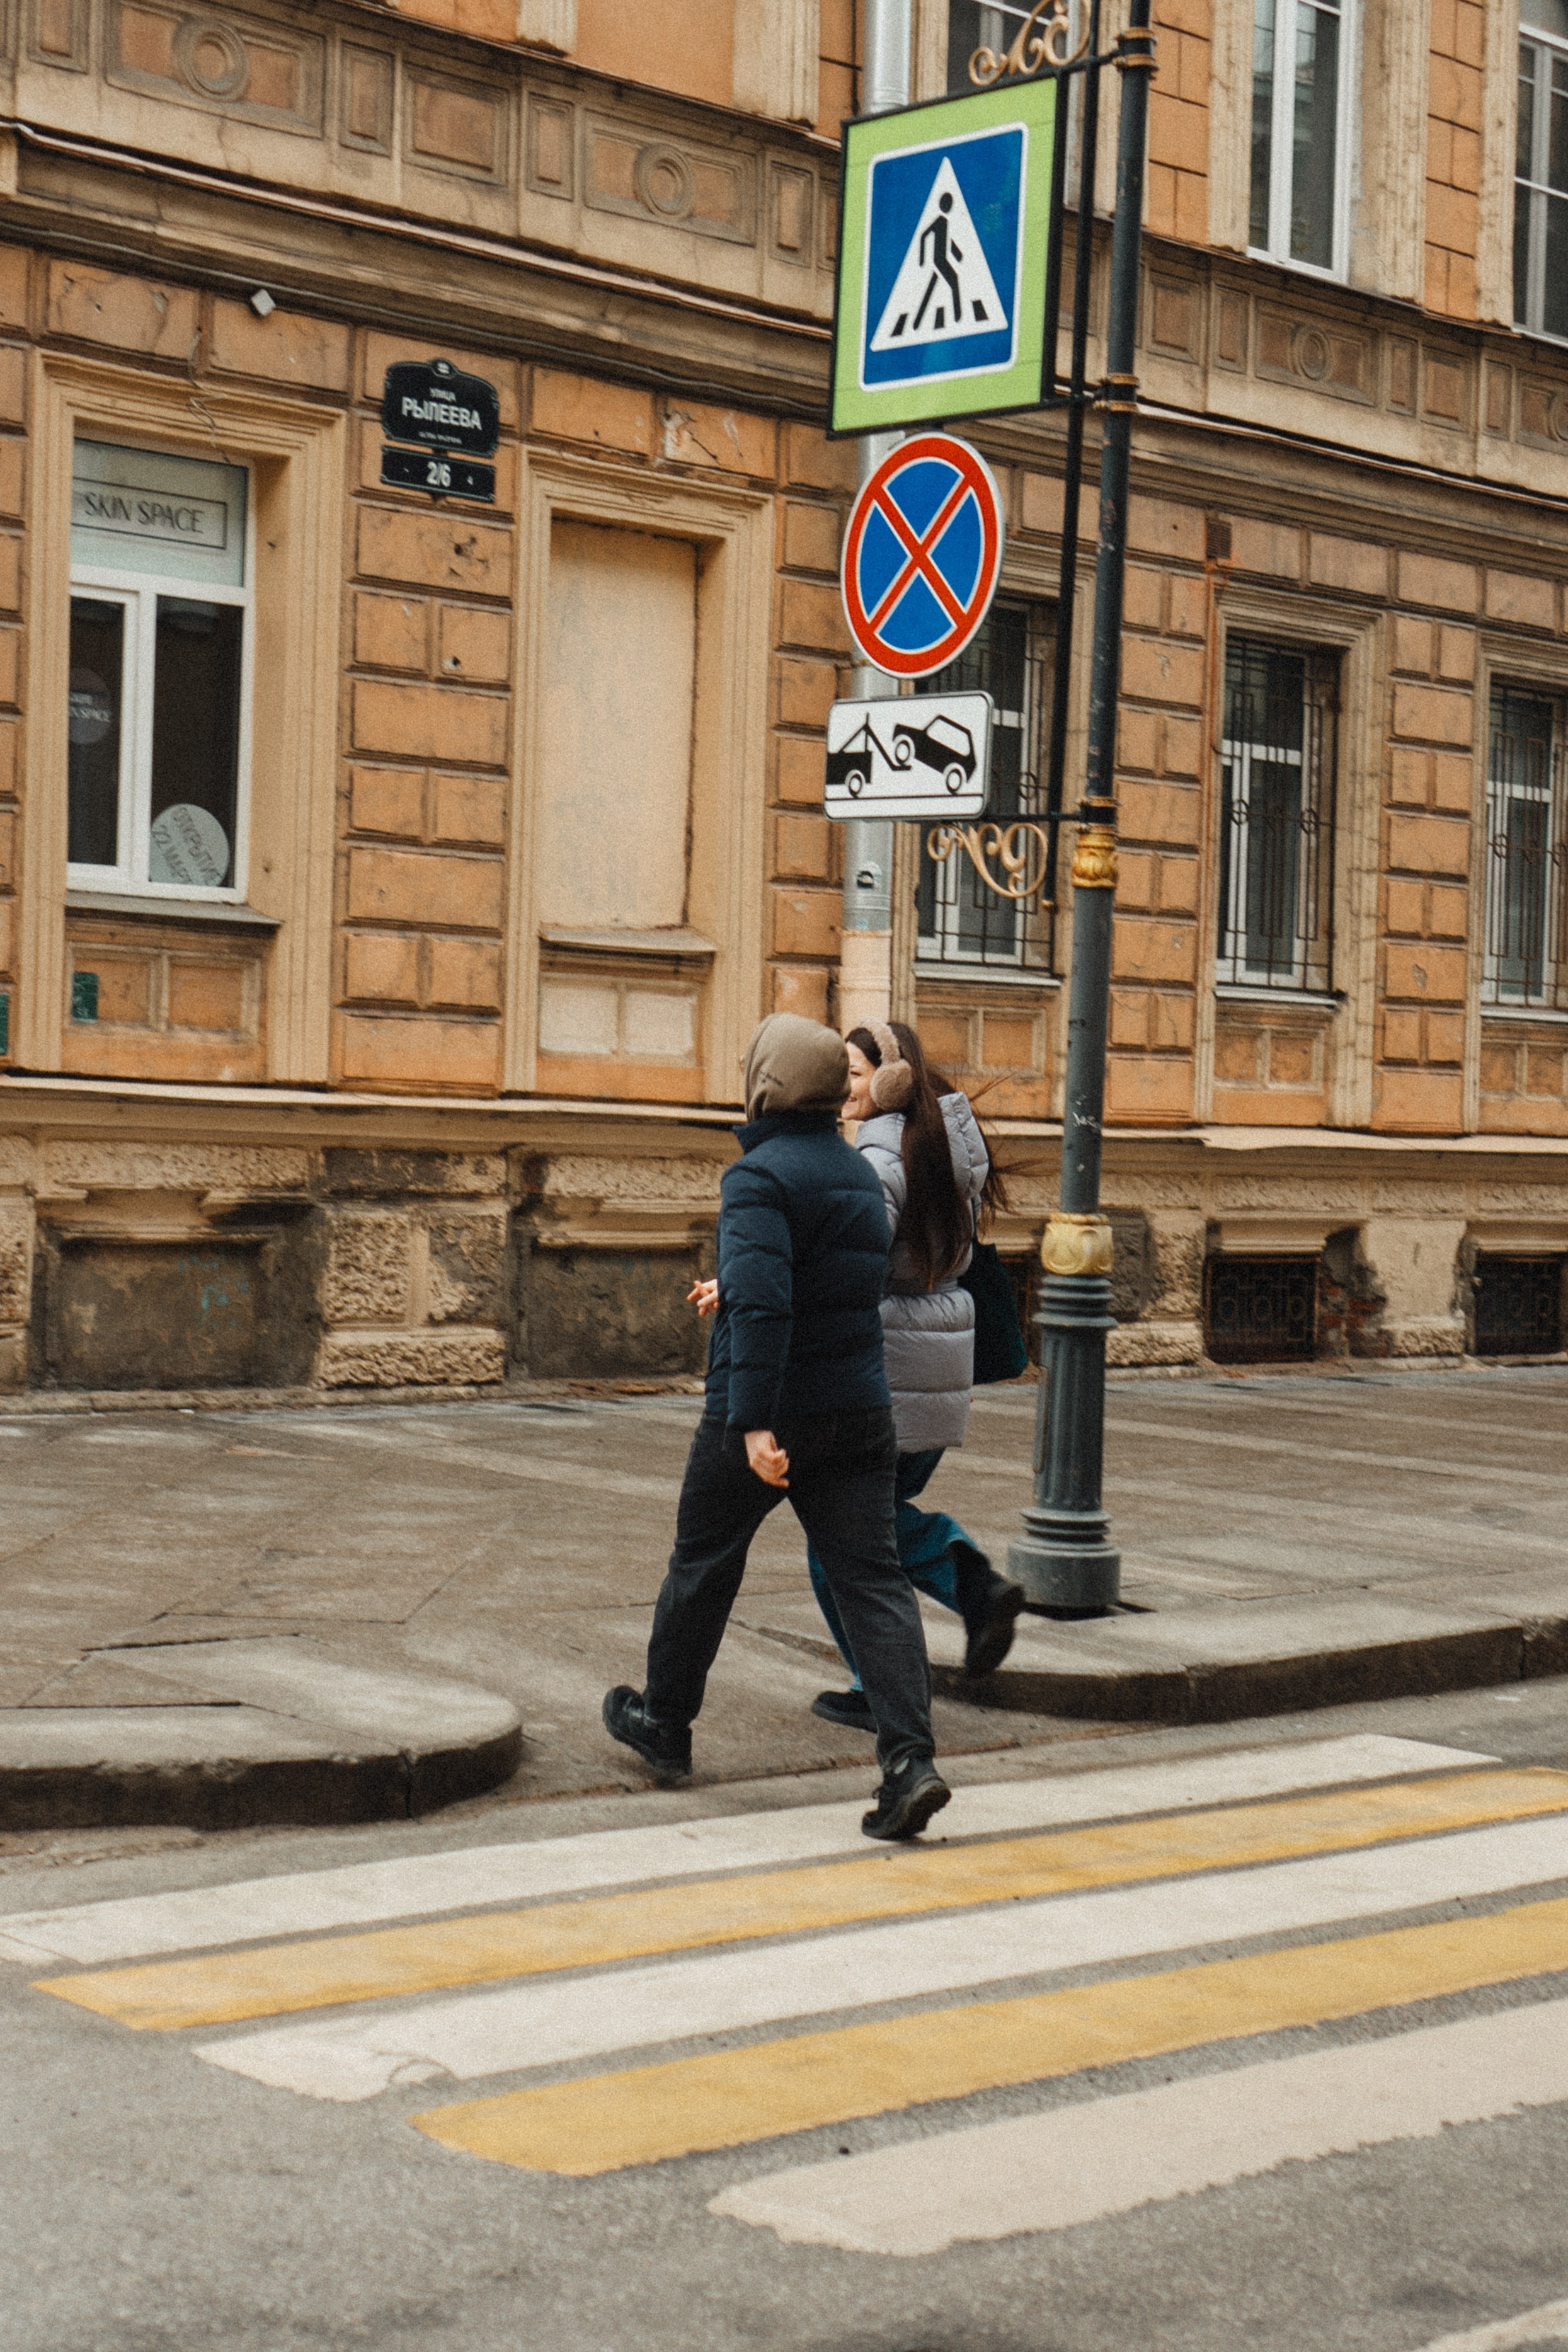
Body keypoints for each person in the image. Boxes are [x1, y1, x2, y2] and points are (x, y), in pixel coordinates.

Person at [602, 1011, 952, 1843]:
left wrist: (755, 1424)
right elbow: (829, 1278)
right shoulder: (856, 1175)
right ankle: (910, 1761)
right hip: (858, 1410)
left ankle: (665, 1723)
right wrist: (740, 1281)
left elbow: (766, 1307)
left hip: (768, 1416)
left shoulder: (756, 1177)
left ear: (766, 1082)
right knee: (874, 1583)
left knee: (703, 1563)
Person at [807, 1019, 1025, 1733]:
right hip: (934, 1370)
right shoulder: (943, 1150)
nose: (842, 1086)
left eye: (854, 1072)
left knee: (839, 1534)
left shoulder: (878, 1158)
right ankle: (959, 1589)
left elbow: (857, 1265)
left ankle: (958, 1585)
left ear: (892, 1079)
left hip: (885, 1372)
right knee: (861, 1525)